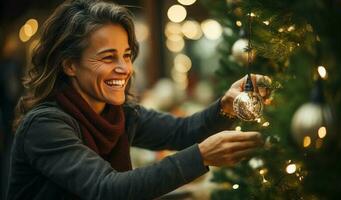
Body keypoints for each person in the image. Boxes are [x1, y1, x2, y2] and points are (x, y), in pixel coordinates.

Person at [6, 0, 270, 199]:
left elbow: (181, 132)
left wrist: (225, 106)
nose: (125, 68)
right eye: (109, 57)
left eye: (127, 55)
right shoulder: (44, 126)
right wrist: (201, 157)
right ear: (69, 65)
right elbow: (106, 189)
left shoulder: (119, 113)